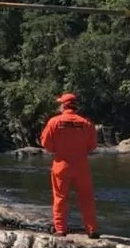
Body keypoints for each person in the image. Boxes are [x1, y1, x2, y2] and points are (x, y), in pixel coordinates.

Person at [40, 93, 99, 238]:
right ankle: (91, 229)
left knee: (60, 198)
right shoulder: (86, 123)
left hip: (61, 165)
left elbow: (45, 143)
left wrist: (57, 150)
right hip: (81, 166)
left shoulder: (54, 122)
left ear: (64, 105)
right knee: (86, 198)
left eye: (60, 103)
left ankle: (60, 229)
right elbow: (92, 146)